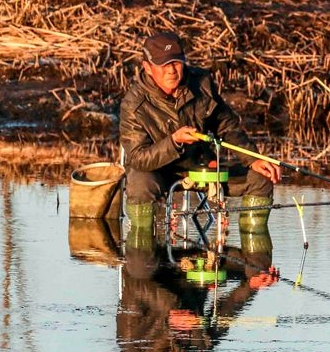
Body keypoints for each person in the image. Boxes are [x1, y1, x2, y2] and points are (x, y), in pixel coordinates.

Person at [120, 30, 280, 230]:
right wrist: (174, 142)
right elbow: (137, 158)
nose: (172, 70)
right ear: (148, 68)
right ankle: (143, 249)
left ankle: (256, 255)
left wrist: (253, 158)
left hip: (202, 168)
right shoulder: (133, 103)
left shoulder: (201, 84)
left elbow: (227, 127)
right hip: (156, 172)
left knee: (262, 176)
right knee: (140, 183)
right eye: (164, 65)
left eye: (176, 63)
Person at [118, 236, 278, 352]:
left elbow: (135, 286)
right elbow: (225, 315)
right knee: (258, 267)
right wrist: (251, 286)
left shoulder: (129, 341)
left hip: (158, 263)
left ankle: (142, 215)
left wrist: (170, 314)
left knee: (139, 266)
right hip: (199, 263)